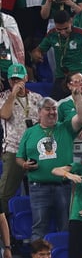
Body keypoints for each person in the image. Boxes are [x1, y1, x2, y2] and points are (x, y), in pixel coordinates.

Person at [16, 93, 82, 240]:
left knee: (65, 227)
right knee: (39, 228)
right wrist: (24, 164)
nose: (52, 112)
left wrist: (78, 97)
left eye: (54, 109)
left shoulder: (66, 128)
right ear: (39, 112)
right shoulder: (29, 133)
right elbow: (19, 157)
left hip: (64, 186)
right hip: (38, 187)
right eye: (48, 109)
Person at [0, 64, 42, 213]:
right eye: (13, 80)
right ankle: (5, 230)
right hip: (13, 149)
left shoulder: (37, 98)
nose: (16, 83)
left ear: (26, 77)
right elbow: (4, 115)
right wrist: (12, 95)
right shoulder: (3, 97)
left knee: (40, 192)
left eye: (19, 79)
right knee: (4, 194)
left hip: (34, 150)